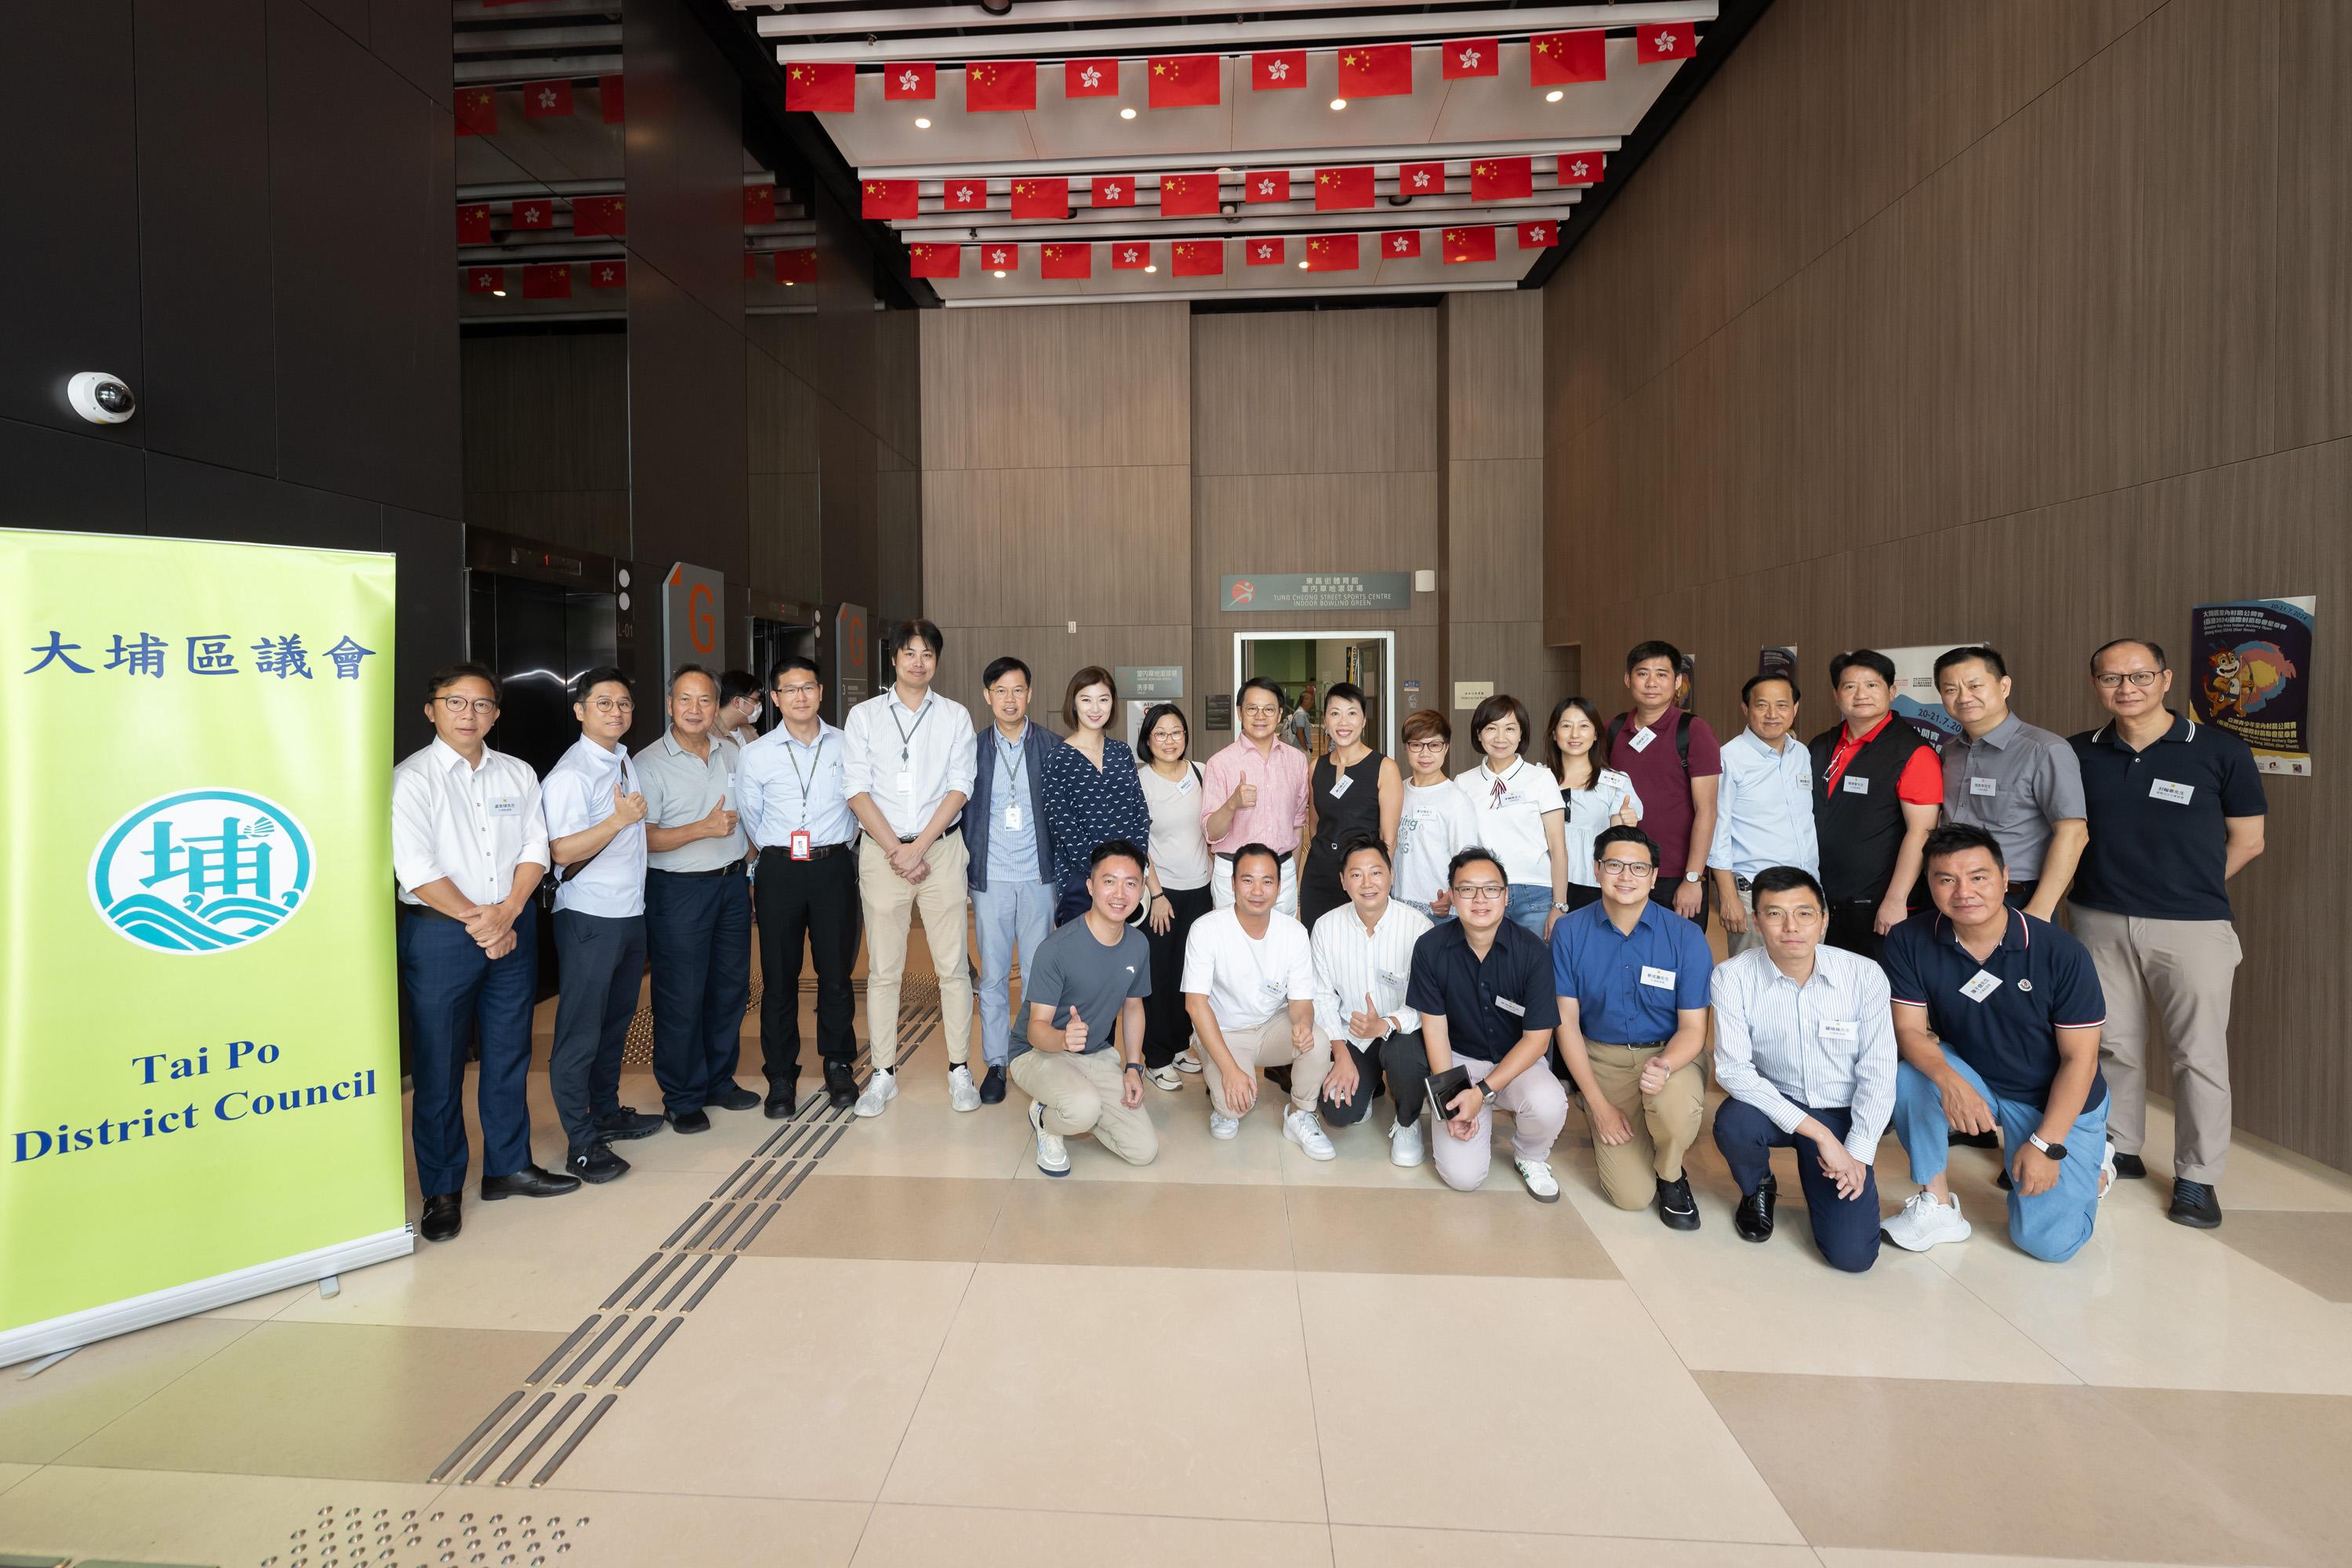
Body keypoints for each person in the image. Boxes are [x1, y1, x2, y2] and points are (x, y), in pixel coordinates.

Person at [2067, 637, 2266, 1228]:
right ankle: (2120, 1147)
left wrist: (2186, 885)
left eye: (2140, 675)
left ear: (2166, 678)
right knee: (2113, 1045)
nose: (2126, 688)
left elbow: (2249, 840)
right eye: (2111, 678)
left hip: (2193, 926)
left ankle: (2198, 1178)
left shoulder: (2220, 751)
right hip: (2097, 919)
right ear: (2096, 684)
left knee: (2198, 1055)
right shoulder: (2079, 752)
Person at [392, 662, 578, 1242]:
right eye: (456, 703)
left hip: (510, 924)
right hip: (442, 934)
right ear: (432, 710)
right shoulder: (411, 779)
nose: (470, 714)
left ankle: (507, 1166)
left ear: (497, 713)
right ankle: (442, 1189)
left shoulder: (517, 772)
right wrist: (483, 920)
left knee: (507, 1055)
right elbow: (417, 869)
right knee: (440, 1066)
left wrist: (507, 913)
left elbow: (535, 848)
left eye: (482, 705)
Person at [1881, 826, 2114, 1261]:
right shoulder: (1909, 939)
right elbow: (1909, 1032)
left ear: (2006, 878)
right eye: (1946, 879)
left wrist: (2047, 1145)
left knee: (2047, 1246)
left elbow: (2079, 1060)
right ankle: (1937, 1204)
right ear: (1928, 883)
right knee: (1909, 1073)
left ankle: (2095, 1167)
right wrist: (1950, 1082)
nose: (1963, 892)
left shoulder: (2060, 952)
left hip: (2053, 1099)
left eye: (1979, 877)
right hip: (1977, 1076)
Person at [1710, 866, 1894, 1271]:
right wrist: (1818, 1133)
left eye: (1805, 913)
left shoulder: (1864, 975)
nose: (1790, 926)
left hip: (1841, 1110)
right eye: (1774, 914)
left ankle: (1831, 1168)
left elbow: (1879, 1073)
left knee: (1853, 1257)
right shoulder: (1732, 976)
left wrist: (1858, 1153)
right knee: (1735, 1122)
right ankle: (1758, 1184)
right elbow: (1733, 1070)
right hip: (1774, 1106)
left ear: (1824, 919)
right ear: (1756, 920)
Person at [842, 620, 980, 1118]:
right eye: (909, 653)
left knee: (952, 968)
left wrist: (919, 847)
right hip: (882, 853)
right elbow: (855, 789)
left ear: (936, 662)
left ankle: (960, 1069)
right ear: (894, 659)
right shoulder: (864, 716)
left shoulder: (956, 716)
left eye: (927, 654)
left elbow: (960, 785)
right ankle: (883, 1073)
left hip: (940, 850)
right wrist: (897, 849)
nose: (918, 661)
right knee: (883, 971)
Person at [1550, 825, 1713, 1229]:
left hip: (1670, 1053)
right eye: (1615, 865)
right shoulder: (1569, 932)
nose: (1626, 877)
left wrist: (1666, 1065)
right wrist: (1601, 1106)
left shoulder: (1686, 937)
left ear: (1656, 876)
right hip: (1601, 1058)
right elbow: (1566, 1024)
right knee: (1631, 1198)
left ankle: (1672, 1173)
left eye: (1639, 868)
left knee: (1672, 1110)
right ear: (1597, 870)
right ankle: (1599, 1108)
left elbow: (1694, 1028)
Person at [543, 666, 666, 1184]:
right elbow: (560, 852)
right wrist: (617, 821)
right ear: (579, 710)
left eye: (624, 704)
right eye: (603, 704)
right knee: (580, 1033)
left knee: (615, 1024)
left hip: (627, 913)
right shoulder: (571, 774)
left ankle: (605, 1112)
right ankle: (582, 1142)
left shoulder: (619, 760)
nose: (616, 712)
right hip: (589, 916)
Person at [1402, 847, 1569, 1198]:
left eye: (1491, 889)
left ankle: (1531, 1156)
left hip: (1517, 1063)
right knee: (1463, 1178)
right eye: (1466, 889)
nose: (1480, 899)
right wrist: (1450, 1100)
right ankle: (1471, 1118)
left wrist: (1483, 1093)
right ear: (1451, 895)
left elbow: (1537, 1041)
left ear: (1506, 897)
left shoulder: (1533, 952)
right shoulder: (1430, 949)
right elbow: (1435, 1030)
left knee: (1549, 1102)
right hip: (1460, 1062)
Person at [635, 665, 757, 1132]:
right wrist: (701, 830)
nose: (694, 709)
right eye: (685, 700)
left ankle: (718, 1081)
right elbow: (642, 839)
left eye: (704, 700)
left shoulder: (731, 753)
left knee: (729, 989)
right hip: (677, 891)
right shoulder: (647, 763)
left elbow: (746, 818)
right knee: (681, 994)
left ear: (716, 706)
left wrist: (748, 872)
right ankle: (682, 1095)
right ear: (669, 705)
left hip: (729, 885)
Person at [737, 656, 860, 1114]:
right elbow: (752, 816)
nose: (800, 697)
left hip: (832, 867)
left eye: (808, 687)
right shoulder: (757, 753)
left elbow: (858, 809)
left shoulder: (849, 745)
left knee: (836, 974)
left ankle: (838, 1064)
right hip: (780, 870)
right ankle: (782, 1075)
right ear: (774, 698)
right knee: (779, 978)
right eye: (789, 690)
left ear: (821, 692)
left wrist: (838, 850)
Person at [1181, 844, 1335, 1159]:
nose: (1257, 890)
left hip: (1271, 1026)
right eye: (1247, 880)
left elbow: (1302, 1001)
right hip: (1225, 1031)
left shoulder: (1293, 932)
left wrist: (1303, 1024)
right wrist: (1230, 1071)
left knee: (1317, 1040)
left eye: (1267, 881)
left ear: (1279, 887)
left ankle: (1300, 1114)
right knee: (1235, 1107)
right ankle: (1223, 1096)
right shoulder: (1206, 929)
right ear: (1232, 882)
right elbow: (1195, 1005)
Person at [1014, 840, 1159, 1175]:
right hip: (1037, 1052)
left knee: (1143, 1150)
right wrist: (1064, 1039)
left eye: (1131, 883)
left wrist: (1134, 1067)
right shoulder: (1057, 948)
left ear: (1141, 891)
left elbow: (1134, 1007)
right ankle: (1046, 1120)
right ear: (1091, 887)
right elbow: (1036, 1029)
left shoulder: (1137, 945)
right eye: (1109, 881)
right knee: (1083, 1108)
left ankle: (1079, 1107)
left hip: (1095, 1053)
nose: (1120, 893)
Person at [965, 655, 1064, 1108]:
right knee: (993, 975)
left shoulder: (1052, 746)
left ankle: (1034, 1053)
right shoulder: (970, 748)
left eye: (1018, 690)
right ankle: (997, 1062)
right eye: (1000, 691)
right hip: (991, 881)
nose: (1010, 699)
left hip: (1039, 876)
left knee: (1041, 976)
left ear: (1030, 694)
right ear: (987, 696)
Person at [1808, 649, 1942, 962]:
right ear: (1836, 695)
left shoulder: (1913, 752)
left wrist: (1895, 900)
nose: (1861, 695)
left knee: (1875, 992)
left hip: (1876, 902)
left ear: (1892, 692)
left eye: (1872, 685)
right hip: (1822, 898)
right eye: (1850, 686)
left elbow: (1922, 831)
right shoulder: (1821, 744)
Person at [1935, 645, 2088, 917]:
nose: (1964, 697)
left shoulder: (2045, 750)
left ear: (2004, 686)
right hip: (1949, 894)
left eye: (1975, 686)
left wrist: (2040, 909)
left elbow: (2073, 834)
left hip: (2015, 897)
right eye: (1951, 690)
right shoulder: (1950, 751)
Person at [1310, 836, 1434, 1165]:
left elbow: (1428, 1003)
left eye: (1376, 872)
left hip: (1401, 1032)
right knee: (1338, 1114)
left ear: (1391, 875)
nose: (1367, 883)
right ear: (1343, 881)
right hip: (1352, 1037)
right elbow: (1321, 997)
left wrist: (1387, 1023)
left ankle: (1407, 1121)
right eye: (1356, 874)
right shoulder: (1325, 927)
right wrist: (1340, 1055)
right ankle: (1371, 1087)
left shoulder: (1419, 927)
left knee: (1405, 1055)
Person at [1609, 642, 1722, 920]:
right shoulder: (1614, 729)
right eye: (1642, 673)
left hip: (1675, 876)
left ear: (1678, 682)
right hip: (1624, 873)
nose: (1651, 683)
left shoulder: (1693, 731)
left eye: (1661, 674)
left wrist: (1693, 879)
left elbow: (1706, 810)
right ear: (1628, 679)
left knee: (1674, 961)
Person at [1709, 673, 1818, 956]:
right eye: (1761, 705)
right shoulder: (1728, 758)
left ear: (1795, 709)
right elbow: (1717, 830)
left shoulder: (1801, 754)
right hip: (1754, 893)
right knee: (1756, 981)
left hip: (1806, 890)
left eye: (1782, 705)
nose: (1772, 714)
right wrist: (1727, 896)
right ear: (1746, 709)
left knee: (1806, 976)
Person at [1134, 702, 1214, 1091]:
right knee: (1160, 977)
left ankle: (1181, 1045)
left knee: (1191, 974)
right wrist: (1157, 893)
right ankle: (1157, 1056)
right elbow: (1138, 843)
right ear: (1148, 739)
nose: (1169, 740)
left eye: (1176, 732)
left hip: (1201, 890)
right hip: (1161, 896)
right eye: (1160, 733)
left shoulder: (1201, 772)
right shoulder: (1140, 781)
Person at [1041, 666, 1158, 927]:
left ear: (1112, 704)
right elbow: (1063, 826)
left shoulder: (1122, 752)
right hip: (1080, 881)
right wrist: (1102, 876)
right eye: (1086, 699)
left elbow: (1140, 814)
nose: (1095, 708)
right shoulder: (1057, 759)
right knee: (1082, 961)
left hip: (1126, 880)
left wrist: (1131, 869)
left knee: (1123, 958)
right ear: (1073, 704)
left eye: (1103, 699)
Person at [1454, 693, 1570, 938]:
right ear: (1478, 734)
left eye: (1510, 729)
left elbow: (1558, 847)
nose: (1500, 738)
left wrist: (1559, 905)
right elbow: (1458, 846)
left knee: (1531, 969)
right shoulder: (1463, 783)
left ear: (1521, 734)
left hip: (1535, 892)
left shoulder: (1540, 778)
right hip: (1482, 892)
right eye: (1491, 728)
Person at [1202, 676, 1311, 915]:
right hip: (1233, 875)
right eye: (1252, 708)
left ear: (1280, 714)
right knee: (1232, 948)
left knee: (1282, 947)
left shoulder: (1296, 761)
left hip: (1281, 874)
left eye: (1269, 709)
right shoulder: (1220, 763)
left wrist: (1289, 873)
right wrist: (1233, 803)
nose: (1260, 716)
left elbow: (1297, 824)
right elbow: (1211, 832)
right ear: (1240, 712)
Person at [1298, 682, 1402, 928]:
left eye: (1352, 713)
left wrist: (1374, 880)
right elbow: (1315, 827)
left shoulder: (1384, 768)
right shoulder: (1316, 767)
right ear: (1325, 720)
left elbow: (1389, 837)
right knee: (1319, 945)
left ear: (1364, 720)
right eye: (1335, 713)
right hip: (1319, 877)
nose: (1343, 722)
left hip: (1362, 877)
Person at [1548, 696, 1642, 913]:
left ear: (1596, 733)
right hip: (1545, 883)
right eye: (1566, 726)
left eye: (1583, 726)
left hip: (1595, 882)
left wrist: (1627, 821)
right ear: (1554, 733)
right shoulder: (1539, 779)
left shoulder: (1616, 781)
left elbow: (1620, 836)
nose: (1575, 734)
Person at [1393, 710, 1479, 922]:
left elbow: (1466, 860)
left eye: (1434, 745)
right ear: (1406, 747)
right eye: (1416, 745)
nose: (1425, 753)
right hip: (1397, 905)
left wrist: (1452, 895)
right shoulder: (1396, 791)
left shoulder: (1456, 800)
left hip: (1438, 909)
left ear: (1446, 748)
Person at [716, 668, 763, 753]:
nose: (758, 705)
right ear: (738, 702)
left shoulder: (751, 732)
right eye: (756, 700)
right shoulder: (707, 734)